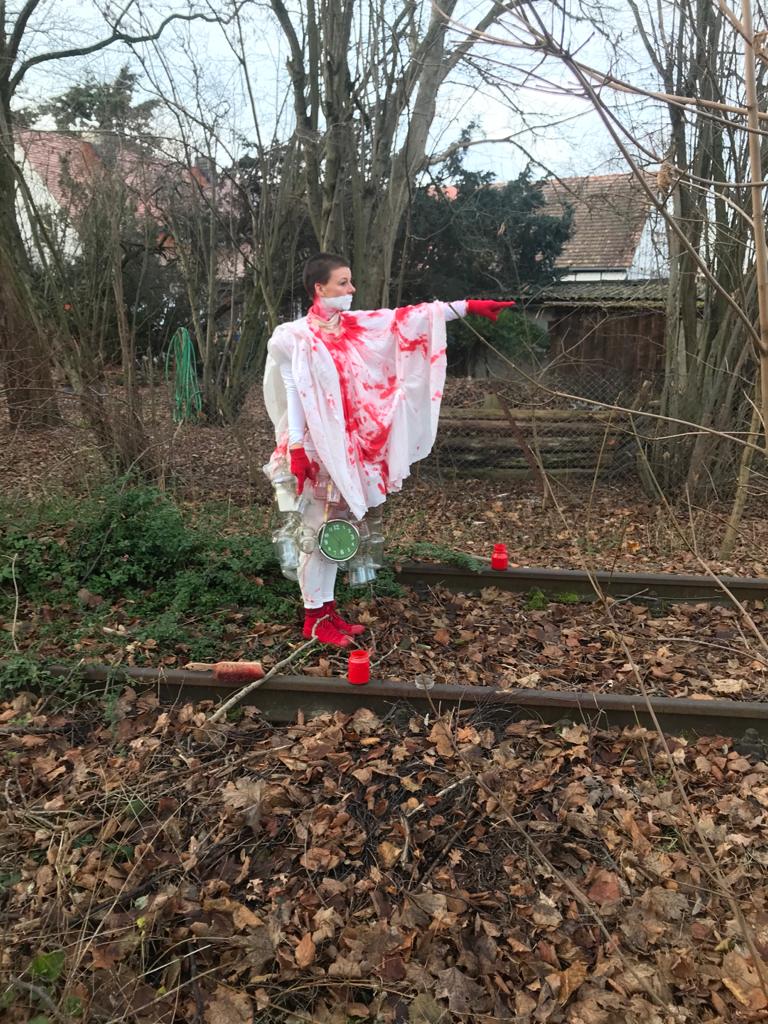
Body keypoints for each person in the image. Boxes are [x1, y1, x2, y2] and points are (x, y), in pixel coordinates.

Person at [263, 252, 515, 648]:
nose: (351, 288)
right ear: (319, 288)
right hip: (315, 449)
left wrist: (468, 306)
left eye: (351, 281)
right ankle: (314, 619)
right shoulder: (293, 337)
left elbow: (408, 318)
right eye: (343, 282)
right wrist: (296, 448)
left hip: (348, 448)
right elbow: (294, 392)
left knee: (337, 532)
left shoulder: (355, 327)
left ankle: (327, 610)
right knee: (315, 531)